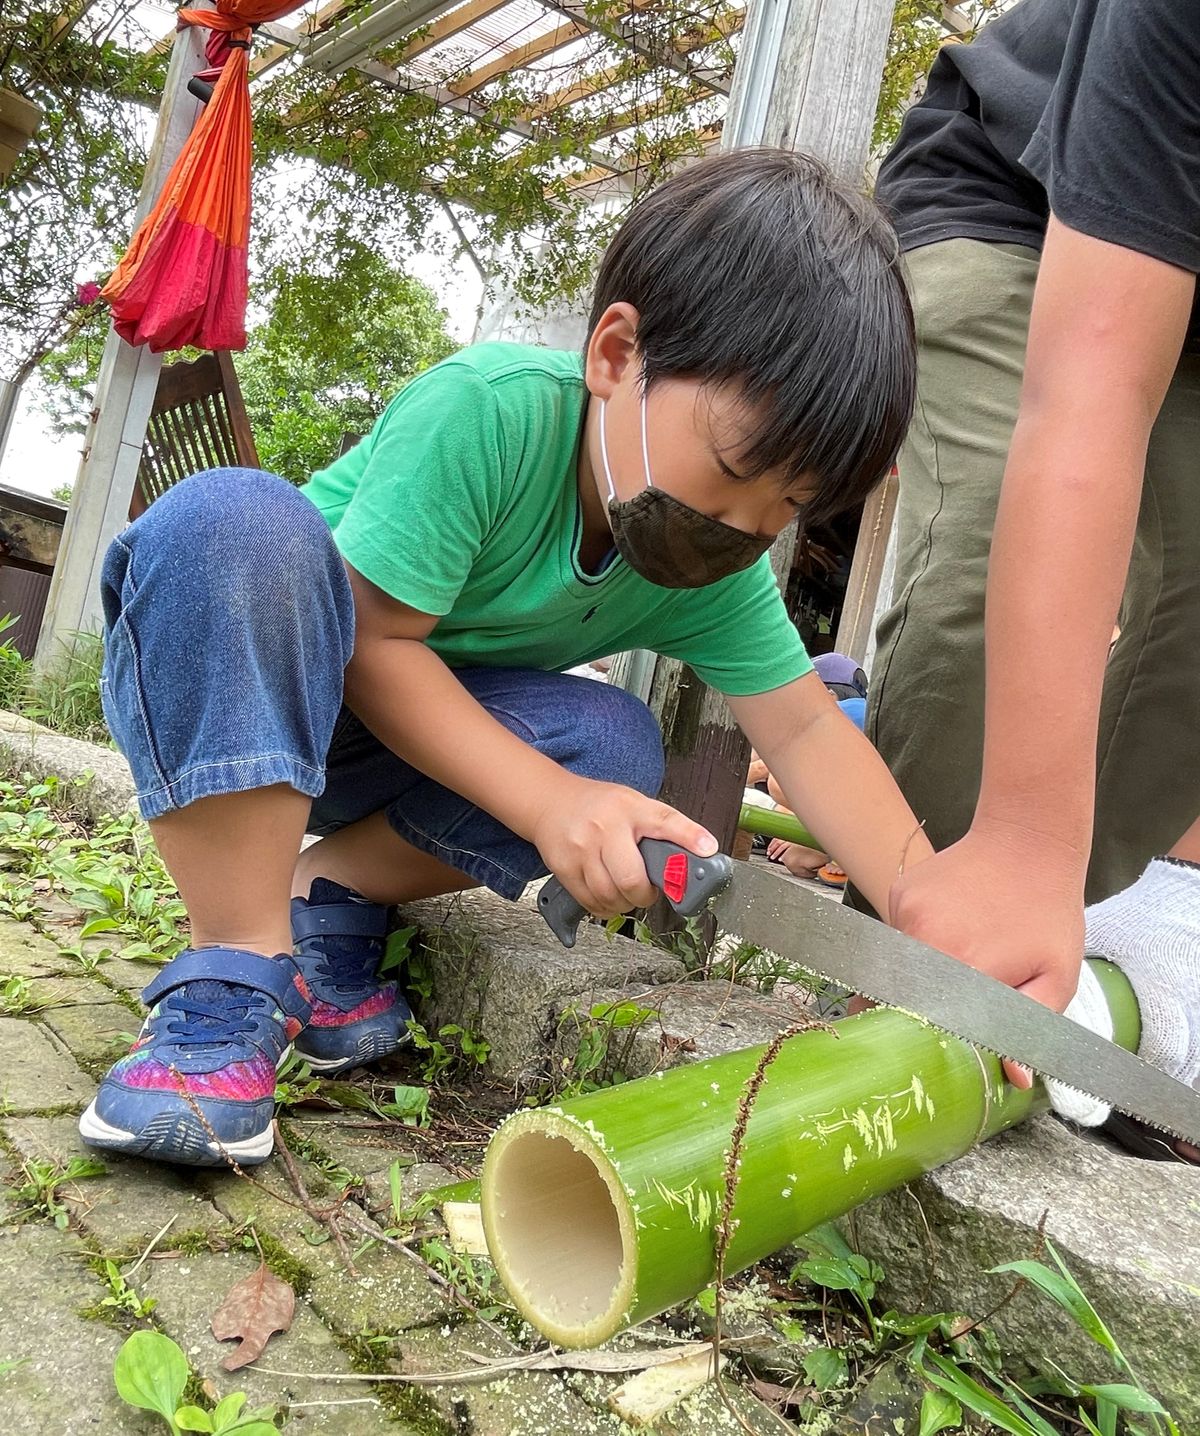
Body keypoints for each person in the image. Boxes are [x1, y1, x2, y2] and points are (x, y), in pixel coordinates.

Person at [79, 149, 931, 1168]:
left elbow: (799, 727)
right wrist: (544, 803)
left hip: (392, 759)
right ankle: (234, 959)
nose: (744, 527)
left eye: (788, 510)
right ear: (617, 356)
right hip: (255, 695)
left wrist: (937, 923)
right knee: (232, 516)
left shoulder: (710, 566)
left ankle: (327, 889)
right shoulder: (489, 413)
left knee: (612, 750)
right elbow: (372, 646)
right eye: (738, 472)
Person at [864, 0, 1200, 1145]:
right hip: (1011, 203)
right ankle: (908, 973)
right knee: (978, 591)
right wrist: (1022, 836)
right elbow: (1087, 397)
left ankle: (1050, 980)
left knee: (1184, 640)